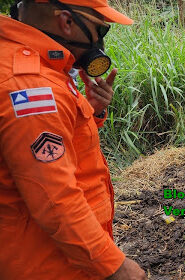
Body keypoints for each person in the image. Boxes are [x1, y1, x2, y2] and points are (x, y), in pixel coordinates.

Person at [0, 1, 147, 279]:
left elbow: (51, 148)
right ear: (67, 22)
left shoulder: (35, 63)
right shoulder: (33, 86)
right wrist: (114, 266)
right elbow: (54, 199)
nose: (100, 41)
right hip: (47, 262)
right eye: (99, 29)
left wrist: (93, 111)